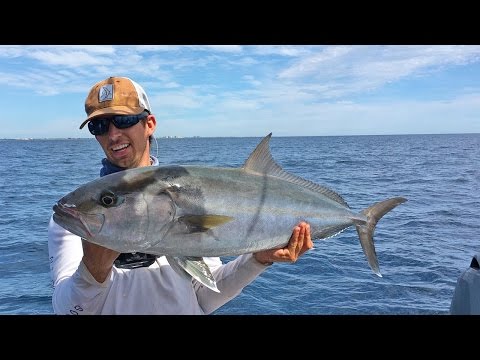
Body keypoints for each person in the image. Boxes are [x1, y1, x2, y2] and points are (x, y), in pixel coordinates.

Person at [47, 76, 313, 315]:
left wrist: (258, 259)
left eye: (125, 120)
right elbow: (69, 311)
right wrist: (93, 271)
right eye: (100, 126)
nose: (113, 134)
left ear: (149, 124)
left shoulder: (191, 196)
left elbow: (205, 298)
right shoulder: (79, 216)